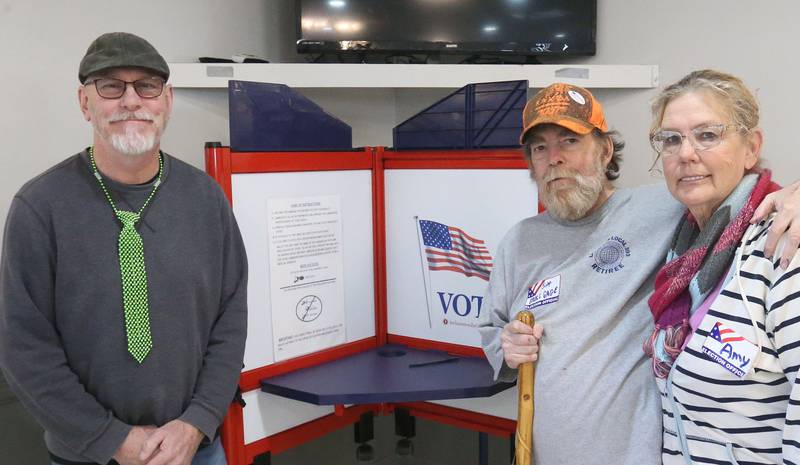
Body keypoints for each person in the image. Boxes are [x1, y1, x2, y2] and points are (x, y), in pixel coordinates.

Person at [478, 82, 800, 465]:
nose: (554, 159)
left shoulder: (668, 204)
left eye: (569, 141)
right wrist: (506, 345)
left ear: (604, 149)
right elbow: (493, 332)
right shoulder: (518, 242)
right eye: (540, 148)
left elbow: (741, 194)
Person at [0, 32, 248, 465]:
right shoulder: (40, 207)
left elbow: (231, 319)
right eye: (111, 86)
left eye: (147, 86)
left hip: (195, 448)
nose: (131, 101)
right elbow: (23, 346)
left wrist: (198, 420)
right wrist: (109, 437)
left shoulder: (206, 200)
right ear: (84, 102)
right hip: (86, 453)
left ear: (166, 100)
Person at [643, 69, 800, 464]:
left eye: (708, 135)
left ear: (751, 147)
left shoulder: (782, 244)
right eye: (671, 139)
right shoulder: (679, 248)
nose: (686, 154)